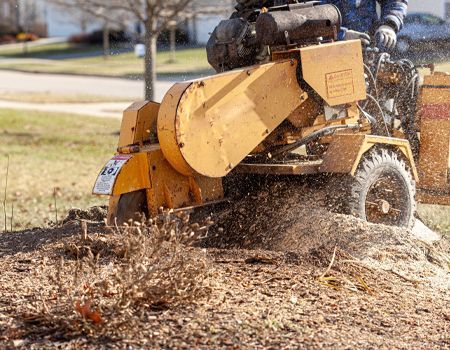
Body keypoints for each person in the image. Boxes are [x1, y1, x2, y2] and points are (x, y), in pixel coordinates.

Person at [321, 0, 408, 50]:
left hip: (372, 49)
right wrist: (341, 35)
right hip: (329, 54)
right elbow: (309, 18)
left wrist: (389, 25)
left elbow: (394, 2)